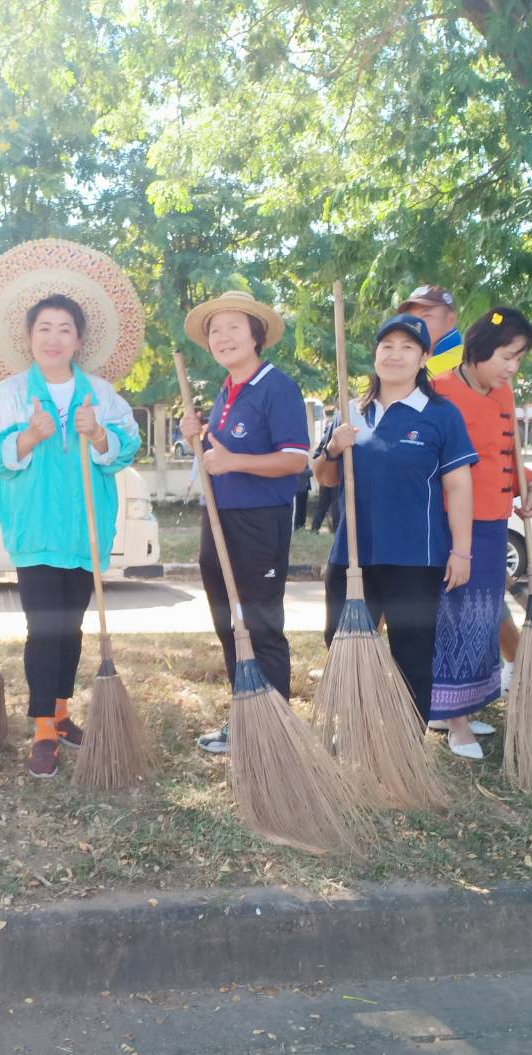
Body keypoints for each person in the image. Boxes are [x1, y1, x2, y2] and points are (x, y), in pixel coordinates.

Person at [0, 294, 141, 778]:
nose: (53, 338)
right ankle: (43, 728)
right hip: (36, 529)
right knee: (43, 629)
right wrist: (27, 437)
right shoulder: (10, 395)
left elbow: (125, 449)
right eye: (44, 328)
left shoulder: (102, 395)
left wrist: (99, 435)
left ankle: (63, 713)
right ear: (29, 338)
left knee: (71, 628)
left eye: (64, 328)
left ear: (79, 340)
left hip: (85, 531)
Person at [313, 313, 477, 723]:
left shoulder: (441, 414)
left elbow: (458, 486)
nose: (395, 355)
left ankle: (406, 744)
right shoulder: (351, 411)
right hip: (353, 555)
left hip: (416, 558)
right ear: (375, 355)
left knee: (412, 654)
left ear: (424, 358)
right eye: (387, 346)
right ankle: (350, 730)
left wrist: (462, 551)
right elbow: (325, 476)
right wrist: (333, 447)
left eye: (407, 347)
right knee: (344, 647)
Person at [178, 291, 310, 755]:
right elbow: (215, 459)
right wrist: (194, 438)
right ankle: (245, 718)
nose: (223, 337)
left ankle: (273, 729)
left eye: (234, 327)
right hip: (218, 519)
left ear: (257, 335)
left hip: (259, 522)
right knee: (228, 622)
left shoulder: (278, 387)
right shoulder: (226, 390)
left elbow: (295, 460)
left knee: (260, 622)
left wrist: (235, 461)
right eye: (215, 330)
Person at [426, 308, 532, 758]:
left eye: (519, 359)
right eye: (507, 357)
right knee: (455, 617)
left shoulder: (503, 391)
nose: (512, 368)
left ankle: (462, 706)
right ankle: (454, 722)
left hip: (496, 521)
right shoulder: (439, 391)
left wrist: (527, 483)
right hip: (455, 523)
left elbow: (508, 451)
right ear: (477, 349)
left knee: (482, 619)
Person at [398, 284, 463, 379]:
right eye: (412, 318)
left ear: (451, 320)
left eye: (426, 316)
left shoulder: (467, 363)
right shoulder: (404, 361)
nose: (416, 324)